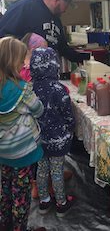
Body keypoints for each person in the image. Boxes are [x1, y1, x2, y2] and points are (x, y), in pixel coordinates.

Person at [0, 36, 46, 231]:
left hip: (3, 152)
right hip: (23, 152)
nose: (23, 63)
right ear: (13, 62)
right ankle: (20, 227)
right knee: (21, 194)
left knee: (5, 192)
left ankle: (5, 224)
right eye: (21, 59)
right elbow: (38, 110)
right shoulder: (22, 89)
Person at [30, 47, 76, 218]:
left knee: (41, 170)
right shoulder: (59, 89)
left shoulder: (30, 88)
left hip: (38, 140)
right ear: (54, 65)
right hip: (57, 140)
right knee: (57, 171)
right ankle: (61, 204)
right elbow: (68, 114)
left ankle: (44, 201)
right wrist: (71, 127)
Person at [0, 0, 90, 63]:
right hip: (22, 70)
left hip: (45, 71)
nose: (65, 10)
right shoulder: (25, 6)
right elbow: (4, 35)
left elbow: (63, 47)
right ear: (57, 1)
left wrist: (85, 58)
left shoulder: (56, 20)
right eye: (65, 6)